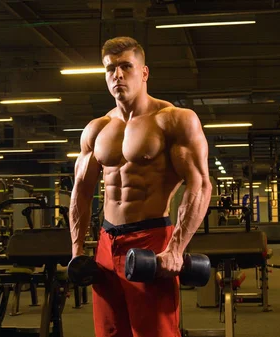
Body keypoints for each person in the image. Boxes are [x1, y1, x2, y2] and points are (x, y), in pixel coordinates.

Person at [69, 36, 212, 337]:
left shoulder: (174, 121)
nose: (117, 75)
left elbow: (199, 184)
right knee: (109, 331)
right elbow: (81, 190)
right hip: (106, 243)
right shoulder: (96, 128)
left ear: (144, 72)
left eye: (125, 66)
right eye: (110, 69)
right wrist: (77, 250)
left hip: (151, 241)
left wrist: (176, 250)